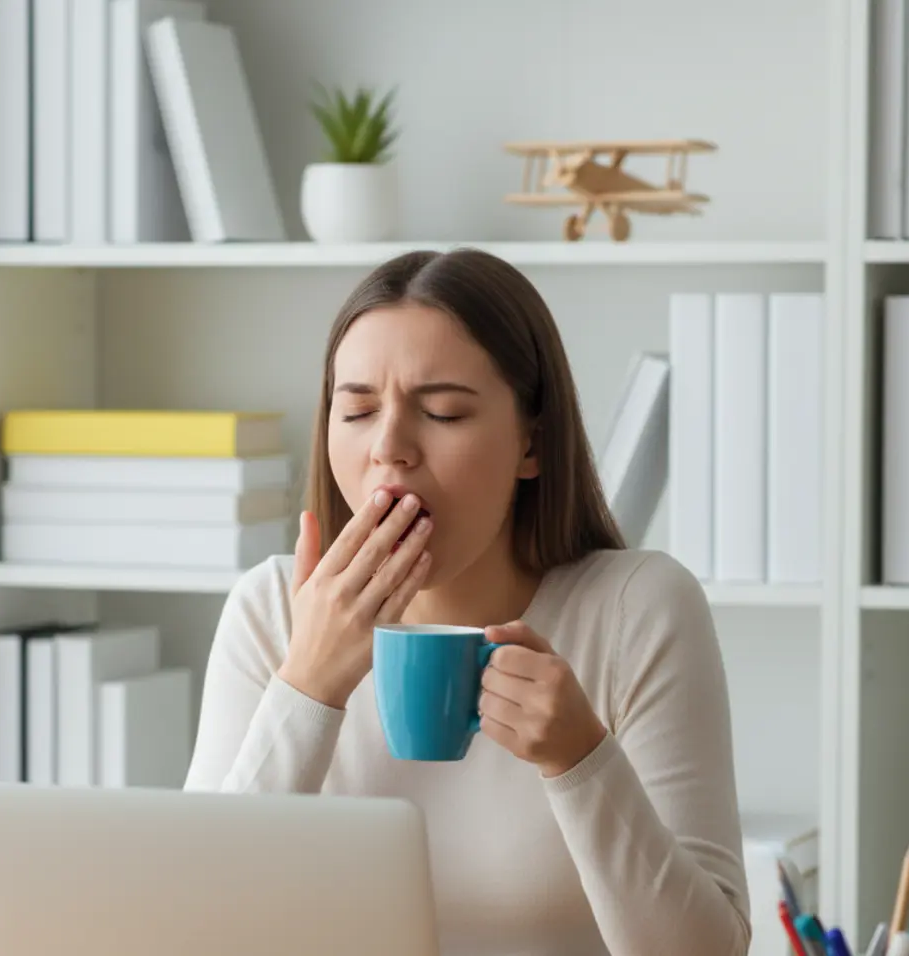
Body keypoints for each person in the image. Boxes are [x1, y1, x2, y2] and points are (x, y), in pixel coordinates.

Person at [183, 248, 751, 956]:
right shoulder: (270, 611)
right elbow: (195, 930)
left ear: (531, 443)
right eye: (357, 410)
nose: (390, 448)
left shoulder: (638, 609)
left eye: (442, 412)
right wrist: (307, 685)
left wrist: (581, 759)